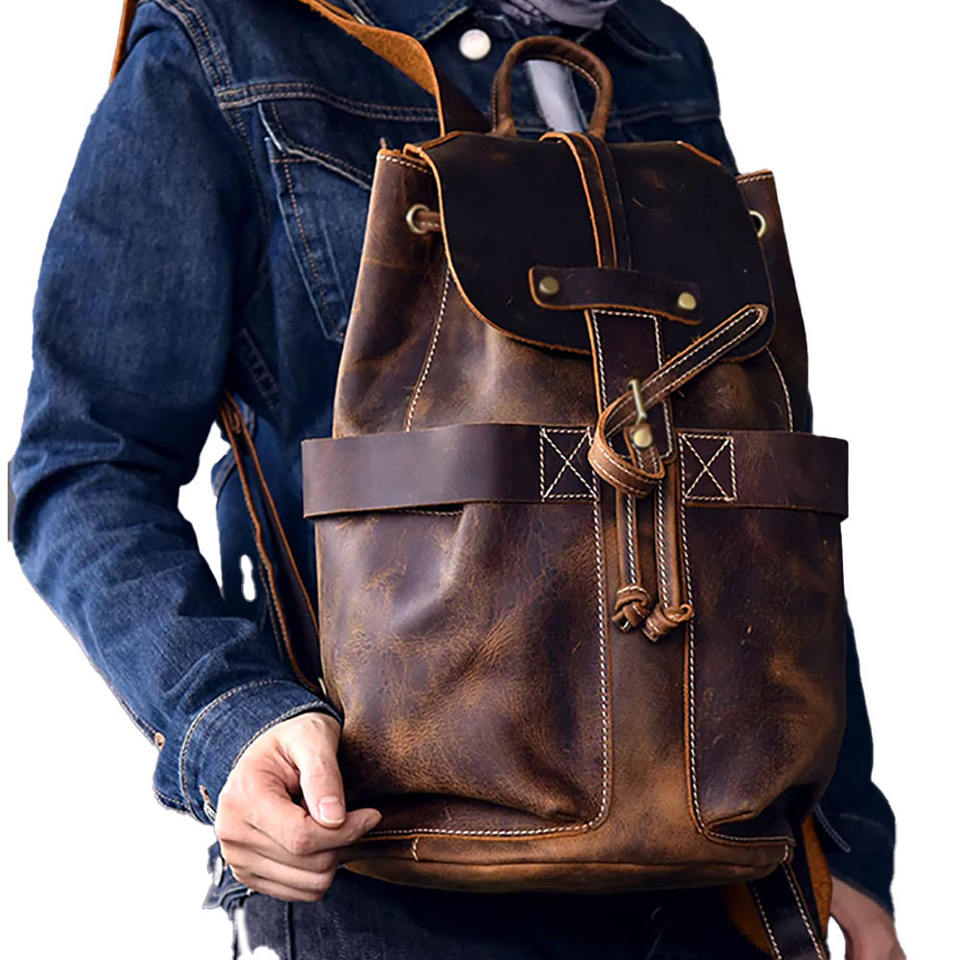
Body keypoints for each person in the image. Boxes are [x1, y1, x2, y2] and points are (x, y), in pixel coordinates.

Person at [9, 1, 904, 957]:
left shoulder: (658, 53)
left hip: (718, 874)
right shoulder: (230, 39)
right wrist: (230, 720)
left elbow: (754, 488)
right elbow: (87, 461)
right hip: (386, 876)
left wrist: (841, 835)